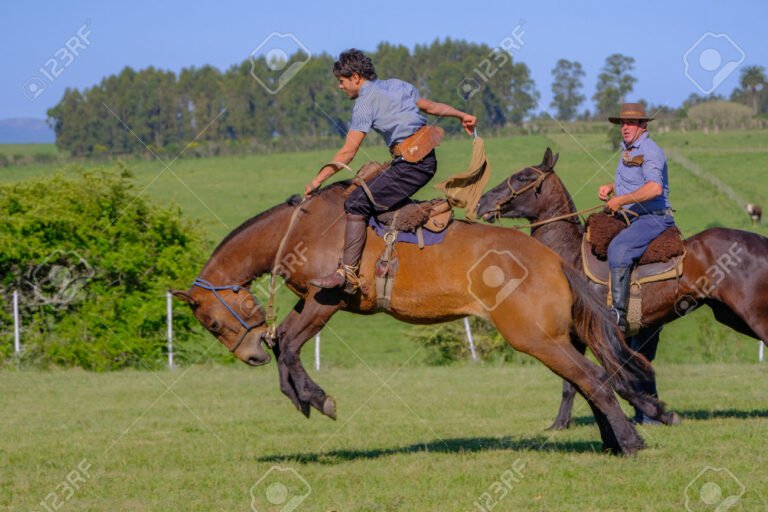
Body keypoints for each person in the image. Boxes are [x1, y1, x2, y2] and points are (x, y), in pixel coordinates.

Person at [307, 49, 476, 293]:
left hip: (413, 166)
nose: (340, 87)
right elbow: (430, 106)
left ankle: (348, 273)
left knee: (355, 202)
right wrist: (462, 115)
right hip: (420, 161)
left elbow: (348, 152)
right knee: (368, 190)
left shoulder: (364, 103)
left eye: (341, 81)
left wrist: (317, 181)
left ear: (355, 77)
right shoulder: (397, 85)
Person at [598, 103, 675, 334]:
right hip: (632, 216)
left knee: (619, 248)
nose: (625, 127)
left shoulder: (650, 150)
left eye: (631, 123)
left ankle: (618, 316)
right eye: (622, 123)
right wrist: (611, 187)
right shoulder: (629, 150)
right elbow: (636, 181)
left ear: (643, 125)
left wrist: (620, 201)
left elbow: (653, 188)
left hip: (652, 218)